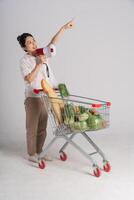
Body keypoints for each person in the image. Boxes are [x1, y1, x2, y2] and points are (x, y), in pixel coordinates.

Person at [17, 20, 74, 163]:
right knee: (32, 127)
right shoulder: (24, 61)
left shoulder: (42, 53)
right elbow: (29, 79)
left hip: (46, 96)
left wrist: (64, 28)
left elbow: (53, 42)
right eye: (29, 42)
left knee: (42, 127)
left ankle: (40, 151)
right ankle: (32, 154)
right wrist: (38, 64)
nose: (33, 43)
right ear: (24, 46)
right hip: (33, 98)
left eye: (34, 40)